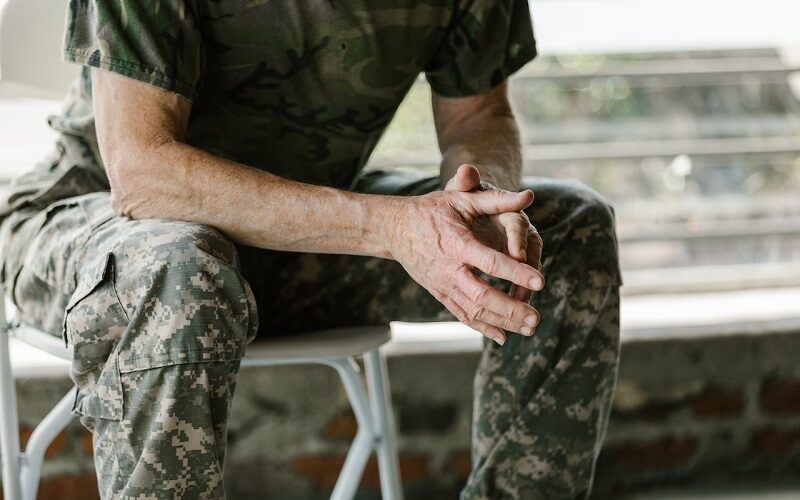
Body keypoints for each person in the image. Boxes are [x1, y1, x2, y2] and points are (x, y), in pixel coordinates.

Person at [0, 1, 622, 498]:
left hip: (302, 234)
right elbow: (143, 173)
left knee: (571, 229)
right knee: (180, 266)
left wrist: (480, 199)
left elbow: (477, 114)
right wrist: (393, 229)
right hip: (103, 223)